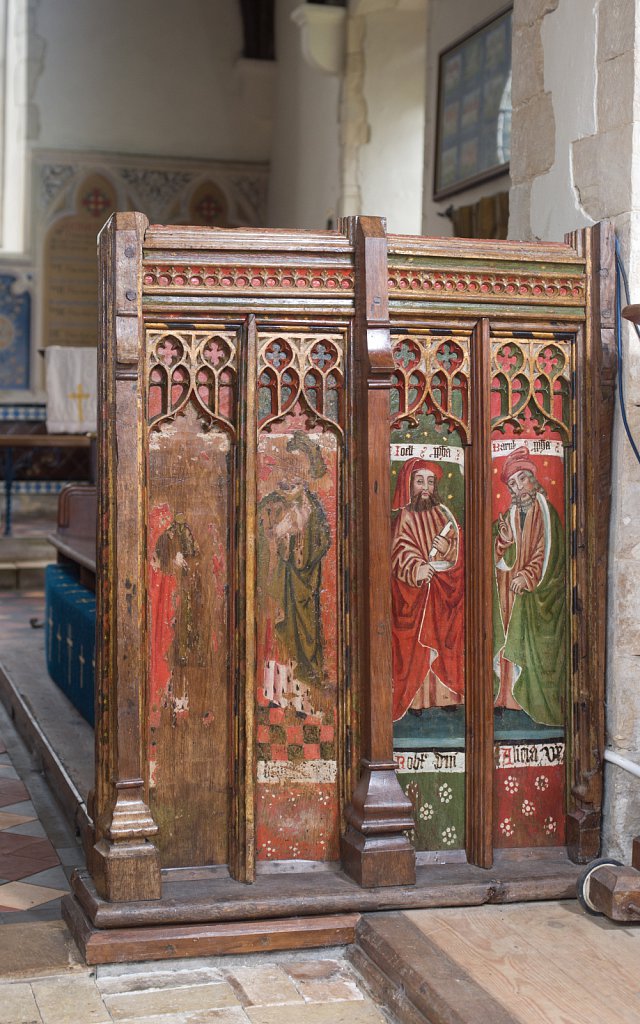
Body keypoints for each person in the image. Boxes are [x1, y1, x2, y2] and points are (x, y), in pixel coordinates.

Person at [493, 446, 566, 727]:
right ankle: (508, 698)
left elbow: (548, 551)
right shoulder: (512, 515)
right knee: (509, 635)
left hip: (539, 595)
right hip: (514, 595)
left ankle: (533, 701)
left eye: (522, 479)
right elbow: (502, 557)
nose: (518, 487)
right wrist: (504, 541)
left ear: (533, 480)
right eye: (513, 483)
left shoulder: (547, 513)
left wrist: (529, 576)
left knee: (535, 647)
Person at [391, 457, 464, 721]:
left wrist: (449, 550)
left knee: (446, 640)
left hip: (443, 592)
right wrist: (416, 568)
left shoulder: (444, 513)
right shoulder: (405, 517)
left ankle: (446, 697)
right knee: (417, 648)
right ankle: (417, 700)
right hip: (417, 593)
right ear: (409, 485)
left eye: (430, 482)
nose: (425, 488)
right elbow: (399, 551)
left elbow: (458, 545)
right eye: (420, 481)